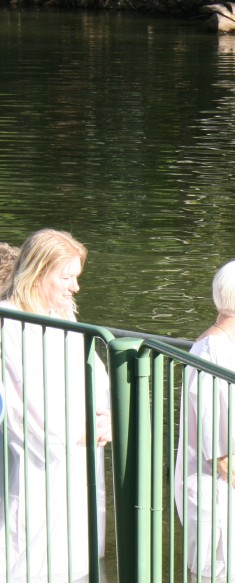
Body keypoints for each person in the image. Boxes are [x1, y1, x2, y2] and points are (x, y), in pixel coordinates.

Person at [0, 229, 112, 582]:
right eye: (65, 277)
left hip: (80, 448)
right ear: (36, 272)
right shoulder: (10, 321)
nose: (74, 287)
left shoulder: (65, 316)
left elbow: (94, 372)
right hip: (39, 453)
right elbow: (23, 399)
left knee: (75, 546)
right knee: (31, 546)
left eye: (76, 278)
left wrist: (104, 416)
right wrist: (73, 432)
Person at [174, 259, 235, 582]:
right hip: (221, 504)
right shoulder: (212, 353)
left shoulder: (225, 348)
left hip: (230, 499)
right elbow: (218, 447)